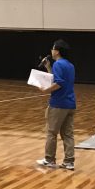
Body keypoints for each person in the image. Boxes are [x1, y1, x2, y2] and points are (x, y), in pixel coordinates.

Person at [37, 39, 76, 171]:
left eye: (53, 48)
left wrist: (45, 90)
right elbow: (57, 79)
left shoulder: (59, 64)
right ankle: (69, 162)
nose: (51, 51)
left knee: (51, 132)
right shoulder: (70, 65)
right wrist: (48, 68)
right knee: (68, 134)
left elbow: (59, 83)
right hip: (70, 104)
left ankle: (49, 159)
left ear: (57, 51)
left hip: (58, 104)